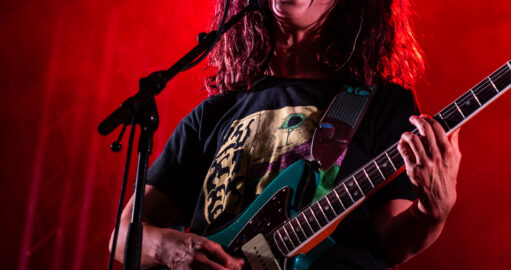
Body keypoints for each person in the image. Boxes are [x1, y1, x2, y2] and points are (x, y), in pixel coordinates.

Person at [110, 0, 462, 269]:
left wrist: (433, 211)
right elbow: (123, 235)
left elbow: (393, 244)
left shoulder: (383, 104)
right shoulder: (215, 112)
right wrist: (170, 249)